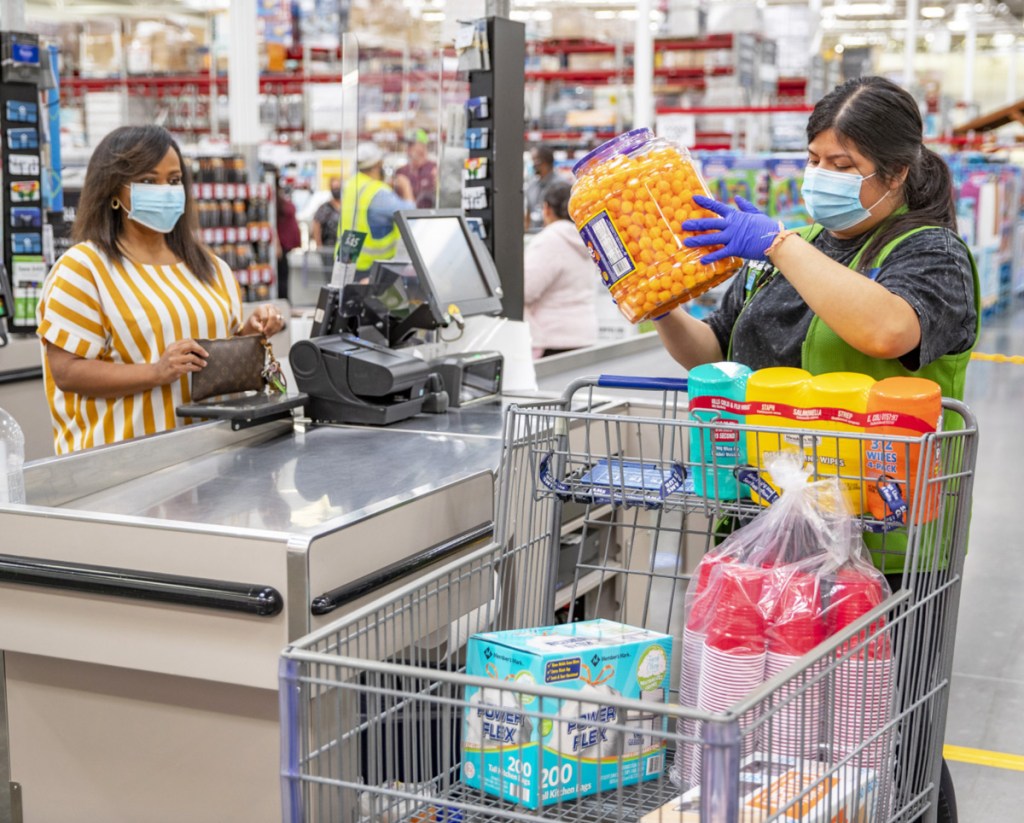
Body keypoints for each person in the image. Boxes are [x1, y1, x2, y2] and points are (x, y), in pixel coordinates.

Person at [655, 76, 976, 823]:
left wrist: (778, 241)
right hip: (759, 538)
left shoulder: (930, 254)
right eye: (815, 158)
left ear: (895, 174)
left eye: (842, 162)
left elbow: (889, 331)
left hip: (881, 547)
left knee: (885, 740)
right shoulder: (784, 261)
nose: (821, 176)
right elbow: (712, 348)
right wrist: (659, 298)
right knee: (779, 735)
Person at [35, 125, 285, 455]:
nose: (165, 190)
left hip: (214, 456)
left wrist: (248, 335)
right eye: (149, 181)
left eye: (174, 180)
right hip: (123, 465)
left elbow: (211, 360)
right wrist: (155, 372)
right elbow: (66, 372)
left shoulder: (211, 268)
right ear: (113, 191)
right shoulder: (84, 269)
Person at [523, 180, 598, 358]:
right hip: (585, 334)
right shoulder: (585, 238)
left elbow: (525, 290)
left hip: (553, 339)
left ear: (547, 208)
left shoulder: (549, 240)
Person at [338, 143, 415, 278]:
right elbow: (410, 213)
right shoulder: (379, 192)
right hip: (371, 267)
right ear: (377, 165)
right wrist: (407, 186)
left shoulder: (352, 184)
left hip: (348, 259)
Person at [274, 172, 301, 302]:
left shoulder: (280, 198)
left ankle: (285, 301)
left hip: (285, 245)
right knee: (281, 277)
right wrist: (276, 244)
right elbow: (272, 224)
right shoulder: (275, 201)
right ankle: (283, 302)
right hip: (280, 246)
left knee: (284, 276)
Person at [394, 130, 438, 209]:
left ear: (423, 146)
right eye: (407, 145)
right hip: (407, 218)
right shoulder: (401, 171)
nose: (408, 148)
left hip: (429, 218)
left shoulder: (434, 169)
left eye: (411, 144)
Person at [524, 145, 558, 231]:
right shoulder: (531, 186)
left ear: (545, 161)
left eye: (534, 160)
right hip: (534, 236)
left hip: (554, 236)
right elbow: (528, 216)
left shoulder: (561, 186)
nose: (533, 164)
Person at [311, 176, 341, 270]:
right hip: (328, 249)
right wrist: (319, 245)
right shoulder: (325, 207)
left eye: (338, 187)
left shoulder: (347, 206)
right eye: (334, 187)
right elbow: (316, 224)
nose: (336, 190)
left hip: (343, 249)